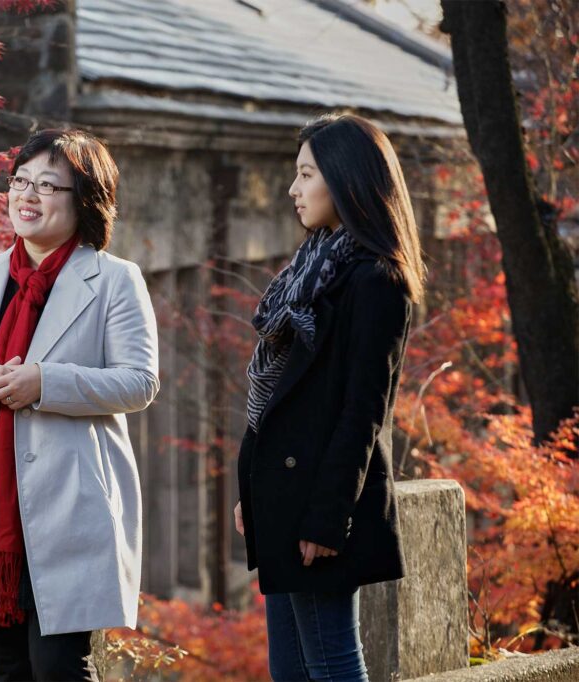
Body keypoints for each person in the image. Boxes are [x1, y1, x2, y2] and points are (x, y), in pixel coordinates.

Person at [0, 129, 159, 681]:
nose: (27, 196)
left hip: (71, 502)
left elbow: (140, 381)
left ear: (84, 199)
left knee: (60, 668)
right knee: (6, 667)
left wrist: (45, 382)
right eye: (20, 181)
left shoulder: (114, 280)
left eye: (48, 185)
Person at [233, 114, 426, 681]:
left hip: (318, 504)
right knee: (290, 671)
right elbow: (278, 399)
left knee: (333, 663)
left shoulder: (375, 280)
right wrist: (254, 489)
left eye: (306, 173)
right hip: (283, 494)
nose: (293, 189)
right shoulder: (312, 269)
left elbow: (363, 411)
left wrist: (326, 519)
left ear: (348, 179)